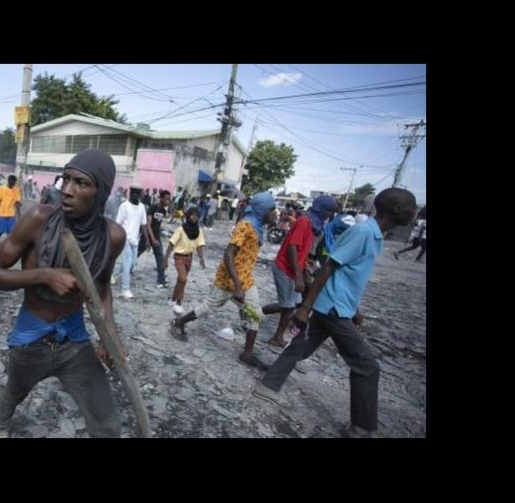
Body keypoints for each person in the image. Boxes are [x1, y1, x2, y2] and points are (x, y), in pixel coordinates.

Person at [0, 149, 125, 438]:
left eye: (81, 183)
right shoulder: (38, 219)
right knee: (15, 391)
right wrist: (44, 275)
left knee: (108, 424)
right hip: (31, 336)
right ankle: (1, 422)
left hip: (74, 338)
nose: (67, 191)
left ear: (101, 192)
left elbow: (103, 286)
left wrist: (110, 336)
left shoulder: (113, 237)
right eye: (66, 179)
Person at [252, 188, 418, 438]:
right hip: (332, 308)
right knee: (367, 366)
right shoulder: (363, 232)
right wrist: (305, 307)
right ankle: (361, 427)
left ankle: (268, 385)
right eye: (411, 207)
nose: (414, 212)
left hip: (339, 305)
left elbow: (350, 275)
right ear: (396, 209)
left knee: (301, 346)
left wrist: (355, 309)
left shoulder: (375, 235)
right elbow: (328, 267)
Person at [169, 192, 278, 370]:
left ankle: (247, 354)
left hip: (246, 279)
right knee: (209, 306)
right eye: (271, 209)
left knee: (254, 314)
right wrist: (237, 286)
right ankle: (179, 322)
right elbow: (228, 254)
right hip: (230, 279)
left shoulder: (258, 227)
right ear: (262, 209)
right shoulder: (246, 225)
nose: (275, 213)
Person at [263, 196, 337, 347]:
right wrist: (298, 275)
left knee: (291, 305)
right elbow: (292, 247)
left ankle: (277, 334)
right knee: (288, 306)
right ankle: (271, 330)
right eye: (330, 211)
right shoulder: (305, 221)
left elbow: (302, 250)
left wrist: (306, 269)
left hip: (294, 269)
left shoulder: (313, 224)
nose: (331, 215)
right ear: (322, 210)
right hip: (285, 267)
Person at [112, 183, 151, 299]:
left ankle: (112, 274)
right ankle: (125, 289)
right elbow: (117, 223)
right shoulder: (124, 206)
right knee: (128, 263)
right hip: (126, 238)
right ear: (131, 193)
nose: (136, 196)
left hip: (135, 240)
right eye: (134, 193)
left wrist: (147, 240)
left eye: (138, 194)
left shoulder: (142, 207)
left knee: (132, 264)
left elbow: (144, 225)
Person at [164, 207, 206, 314]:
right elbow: (171, 243)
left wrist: (201, 259)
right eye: (192, 215)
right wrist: (165, 259)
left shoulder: (198, 231)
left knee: (180, 280)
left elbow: (200, 245)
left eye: (196, 215)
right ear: (188, 216)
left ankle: (173, 298)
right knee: (183, 279)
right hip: (179, 257)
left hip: (189, 258)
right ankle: (179, 302)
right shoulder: (181, 229)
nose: (194, 217)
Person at [137, 190, 171, 288]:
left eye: (169, 200)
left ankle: (161, 281)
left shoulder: (163, 211)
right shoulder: (152, 208)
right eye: (166, 199)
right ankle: (123, 271)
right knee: (135, 255)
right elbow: (148, 225)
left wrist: (157, 237)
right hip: (147, 237)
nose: (167, 201)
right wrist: (151, 239)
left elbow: (158, 226)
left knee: (160, 259)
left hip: (156, 237)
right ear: (161, 198)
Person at [0, 174, 22, 238]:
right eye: (11, 182)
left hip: (11, 215)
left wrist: (18, 213)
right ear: (8, 181)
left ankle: (7, 246)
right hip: (2, 214)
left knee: (10, 234)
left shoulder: (17, 190)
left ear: (15, 182)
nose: (12, 184)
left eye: (14, 182)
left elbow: (17, 202)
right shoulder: (1, 188)